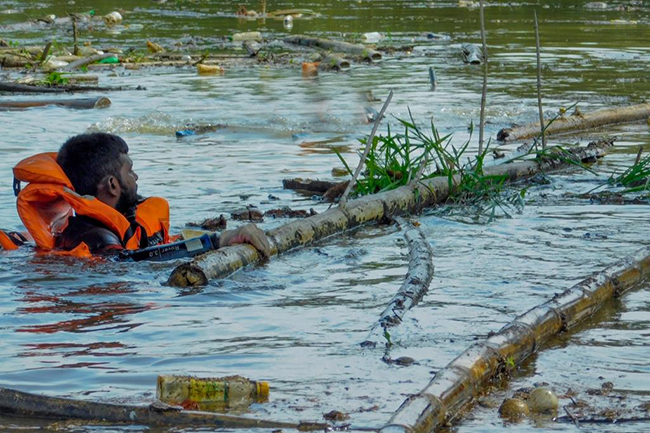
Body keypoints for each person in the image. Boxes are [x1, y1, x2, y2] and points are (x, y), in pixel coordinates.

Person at [9, 132, 270, 259]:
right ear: (112, 185)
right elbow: (132, 262)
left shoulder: (117, 221)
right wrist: (215, 241)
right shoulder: (95, 236)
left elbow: (150, 245)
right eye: (130, 171)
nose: (136, 179)